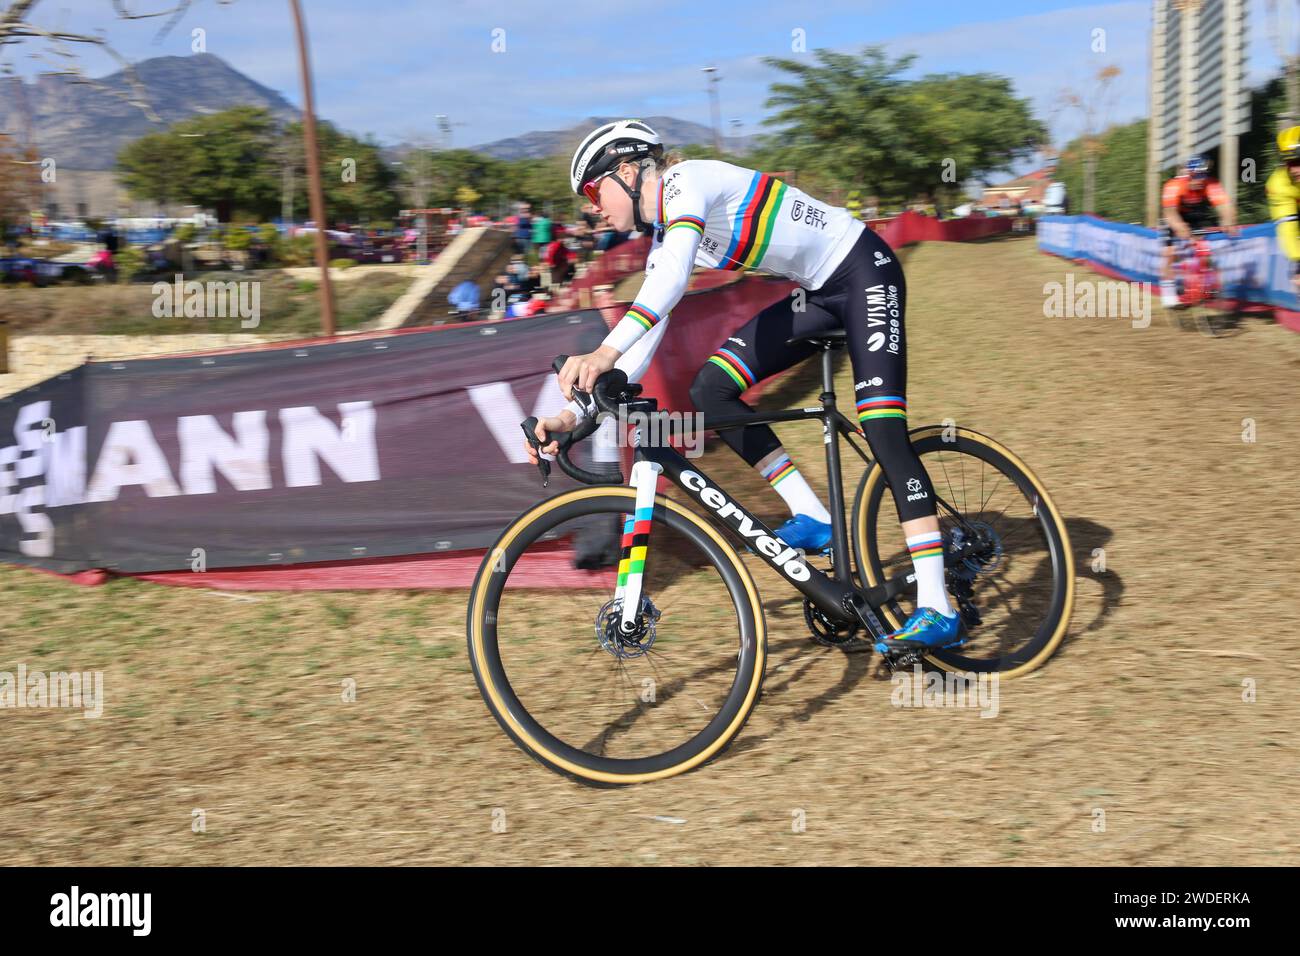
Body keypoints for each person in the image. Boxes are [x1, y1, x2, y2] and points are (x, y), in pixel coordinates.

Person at [522, 119, 962, 652]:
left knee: (882, 426)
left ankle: (937, 603)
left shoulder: (686, 185)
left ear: (630, 171)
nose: (592, 206)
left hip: (865, 272)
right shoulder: (665, 234)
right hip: (817, 294)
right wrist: (571, 417)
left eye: (593, 190)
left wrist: (602, 352)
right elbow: (649, 330)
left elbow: (669, 282)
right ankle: (815, 516)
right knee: (711, 391)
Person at [1159, 156, 1236, 307]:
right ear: (1188, 175)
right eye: (1196, 176)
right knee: (1170, 252)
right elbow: (1170, 214)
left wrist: (1229, 221)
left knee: (1203, 247)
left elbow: (1226, 206)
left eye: (1203, 175)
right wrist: (1181, 228)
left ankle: (1206, 284)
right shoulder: (1174, 185)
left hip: (1195, 215)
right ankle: (1168, 291)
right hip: (1174, 215)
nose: (1200, 180)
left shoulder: (1210, 184)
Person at [1267, 126, 1300, 294]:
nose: (1294, 170)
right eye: (1289, 163)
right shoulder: (1278, 185)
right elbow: (1288, 231)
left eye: (1298, 162)